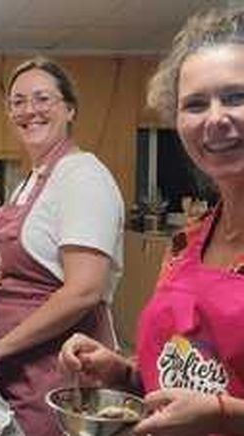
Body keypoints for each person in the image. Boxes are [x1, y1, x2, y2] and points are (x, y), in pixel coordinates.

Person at [60, 8, 244, 435]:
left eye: (236, 97)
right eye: (195, 104)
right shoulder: (185, 243)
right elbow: (178, 371)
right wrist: (124, 373)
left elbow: (212, 401)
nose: (215, 117)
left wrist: (224, 414)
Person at [0, 58, 125, 435]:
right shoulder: (32, 181)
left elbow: (83, 290)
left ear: (70, 109)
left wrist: (0, 346)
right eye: (18, 102)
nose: (29, 110)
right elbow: (15, 278)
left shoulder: (83, 176)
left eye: (42, 99)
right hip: (18, 365)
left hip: (58, 371)